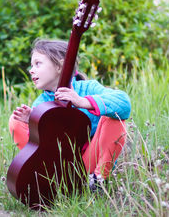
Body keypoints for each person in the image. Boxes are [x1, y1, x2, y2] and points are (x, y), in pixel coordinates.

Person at [9, 38, 131, 192]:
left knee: (114, 116)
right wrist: (34, 123)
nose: (31, 70)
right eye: (31, 65)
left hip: (87, 163)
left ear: (60, 66)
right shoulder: (39, 104)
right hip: (55, 168)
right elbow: (50, 148)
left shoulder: (88, 88)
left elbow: (124, 103)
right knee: (15, 121)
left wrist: (82, 102)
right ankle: (41, 179)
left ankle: (98, 182)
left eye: (38, 64)